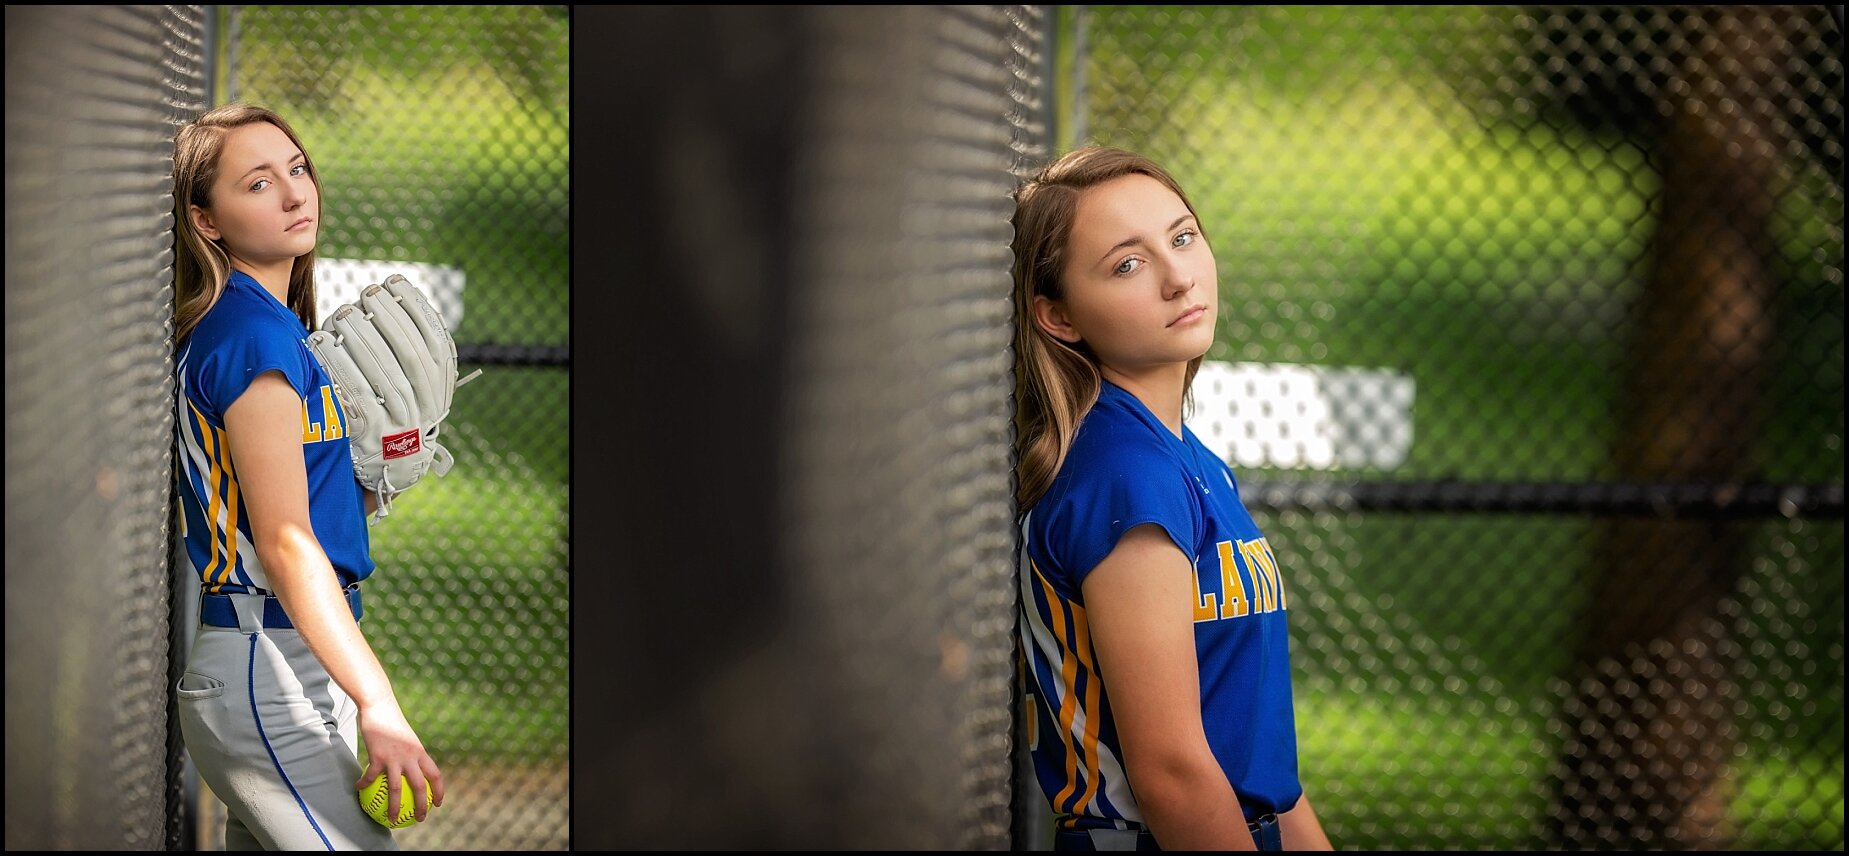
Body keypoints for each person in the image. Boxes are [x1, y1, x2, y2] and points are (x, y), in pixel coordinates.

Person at [1012, 146, 1334, 852]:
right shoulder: (1123, 476)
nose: (1176, 276)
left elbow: (1260, 767)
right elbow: (1172, 773)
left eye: (1182, 237)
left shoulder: (1187, 459)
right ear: (1059, 317)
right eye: (1128, 264)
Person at [170, 102, 443, 850]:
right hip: (267, 662)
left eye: (297, 169)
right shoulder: (251, 336)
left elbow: (296, 513)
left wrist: (375, 477)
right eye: (257, 183)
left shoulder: (277, 326)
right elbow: (286, 546)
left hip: (289, 662)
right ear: (206, 221)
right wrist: (379, 701)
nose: (295, 193)